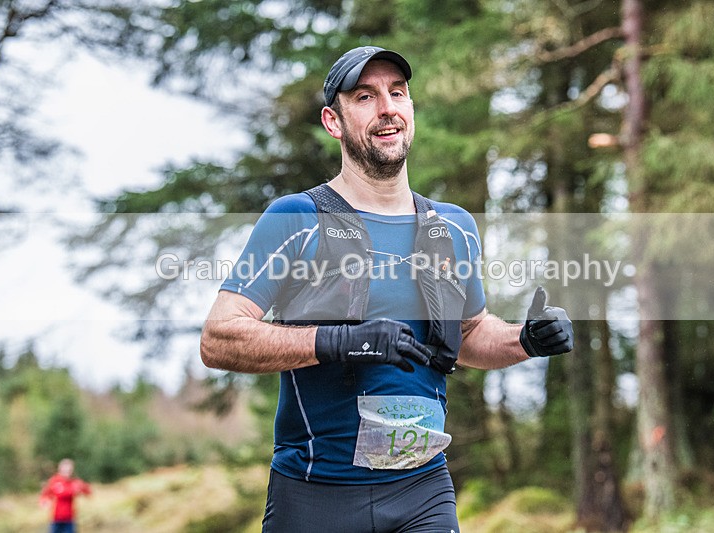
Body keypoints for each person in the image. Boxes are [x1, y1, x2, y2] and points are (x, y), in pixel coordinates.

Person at [200, 45, 574, 533]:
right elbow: (219, 337)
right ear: (334, 121)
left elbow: (470, 332)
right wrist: (337, 341)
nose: (387, 108)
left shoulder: (453, 227)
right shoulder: (296, 218)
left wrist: (525, 339)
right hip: (315, 493)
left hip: (423, 490)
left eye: (397, 93)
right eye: (365, 96)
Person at [40, 458, 91, 533]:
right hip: (56, 518)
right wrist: (44, 502)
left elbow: (88, 492)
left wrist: (82, 488)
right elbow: (45, 494)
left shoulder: (74, 482)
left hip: (69, 519)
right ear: (60, 469)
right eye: (65, 470)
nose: (67, 472)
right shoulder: (54, 481)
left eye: (69, 470)